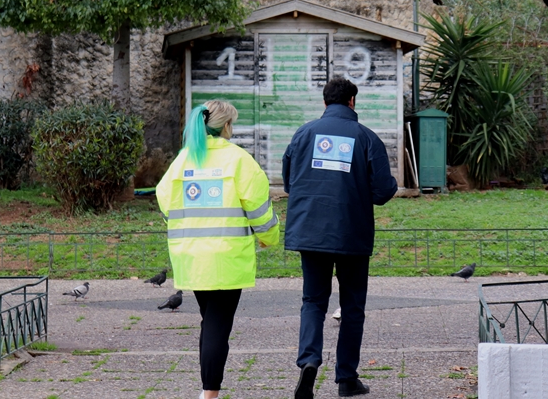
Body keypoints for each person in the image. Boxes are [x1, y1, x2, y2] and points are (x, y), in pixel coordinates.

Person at [282, 78, 398, 399]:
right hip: (352, 234)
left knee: (313, 301)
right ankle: (346, 378)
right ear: (352, 102)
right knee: (352, 306)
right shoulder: (366, 137)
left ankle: (309, 360)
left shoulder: (303, 134)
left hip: (311, 233)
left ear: (325, 102)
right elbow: (382, 191)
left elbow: (290, 182)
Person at [156, 100, 280, 399]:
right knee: (217, 324)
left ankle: (207, 388)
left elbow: (164, 200)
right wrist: (269, 236)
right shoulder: (239, 160)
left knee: (209, 320)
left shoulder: (184, 159)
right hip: (226, 257)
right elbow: (258, 207)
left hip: (190, 255)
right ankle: (209, 392)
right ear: (226, 126)